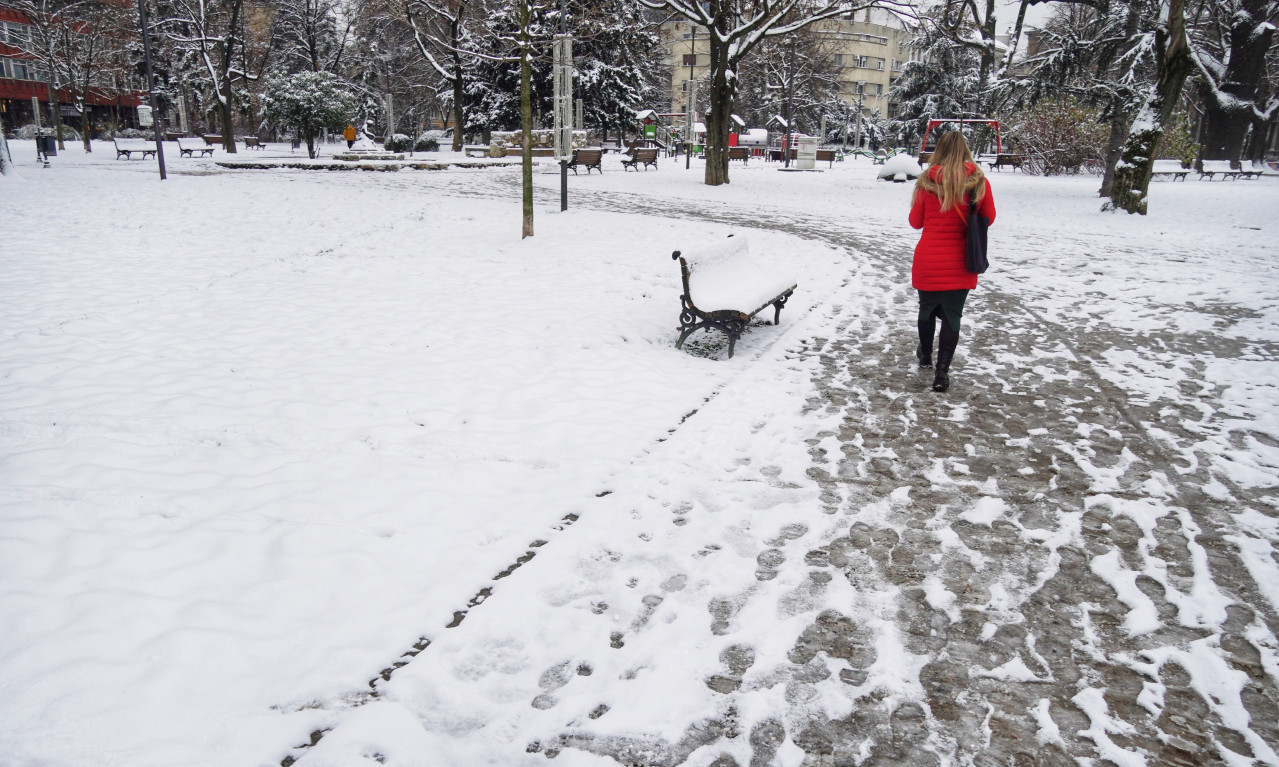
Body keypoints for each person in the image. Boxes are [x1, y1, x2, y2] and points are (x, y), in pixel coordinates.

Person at [908, 131, 996, 392]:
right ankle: (941, 374)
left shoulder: (926, 182)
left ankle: (925, 355)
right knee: (952, 317)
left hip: (929, 258)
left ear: (939, 151)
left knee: (926, 311)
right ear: (966, 150)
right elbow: (988, 217)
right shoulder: (978, 182)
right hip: (961, 259)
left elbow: (916, 222)